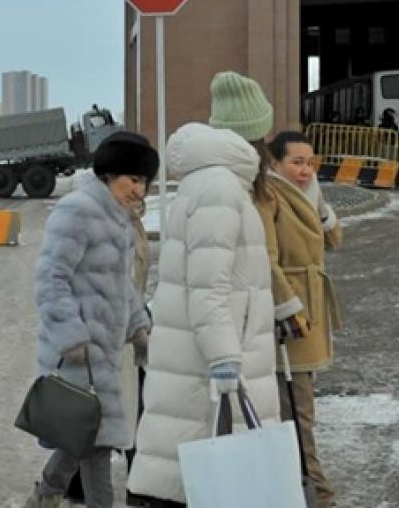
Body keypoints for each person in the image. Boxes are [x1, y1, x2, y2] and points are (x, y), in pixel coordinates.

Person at [128, 71, 280, 507]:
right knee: (206, 479)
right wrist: (225, 359)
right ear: (254, 132)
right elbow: (208, 285)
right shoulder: (219, 187)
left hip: (202, 360)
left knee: (189, 473)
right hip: (211, 366)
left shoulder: (214, 181)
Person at [24, 132, 156, 508]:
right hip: (77, 352)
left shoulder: (119, 221)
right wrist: (71, 334)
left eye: (144, 181)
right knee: (98, 442)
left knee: (80, 434)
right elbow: (50, 279)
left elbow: (121, 285)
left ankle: (47, 493)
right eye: (133, 179)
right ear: (109, 175)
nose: (139, 190)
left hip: (106, 352)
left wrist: (138, 326)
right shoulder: (78, 211)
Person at [258, 131, 344, 508]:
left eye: (310, 162)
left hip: (310, 302)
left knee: (298, 403)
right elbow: (267, 257)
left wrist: (323, 210)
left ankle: (301, 484)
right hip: (293, 311)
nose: (305, 170)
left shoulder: (309, 194)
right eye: (296, 162)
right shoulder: (269, 195)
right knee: (297, 406)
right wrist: (287, 308)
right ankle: (314, 490)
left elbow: (335, 240)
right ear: (274, 163)